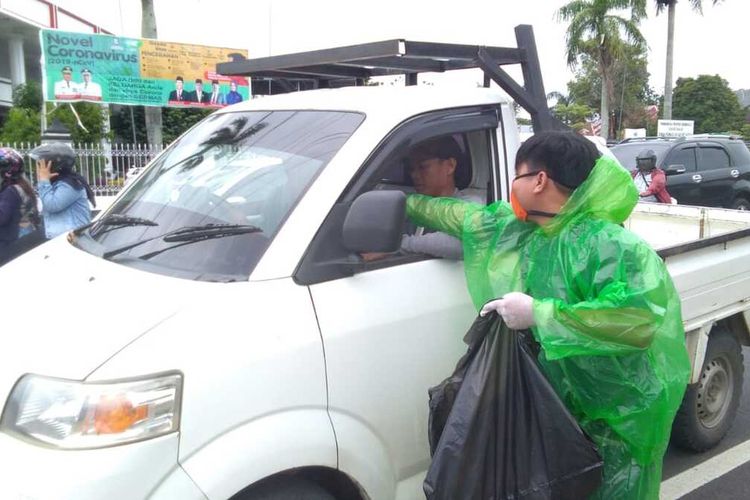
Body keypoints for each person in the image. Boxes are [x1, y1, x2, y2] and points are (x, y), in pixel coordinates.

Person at [407, 131, 690, 498]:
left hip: (617, 422)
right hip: (558, 415)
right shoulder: (526, 230)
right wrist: (405, 202)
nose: (512, 186)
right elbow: (461, 216)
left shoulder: (611, 244)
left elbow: (636, 320)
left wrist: (540, 314)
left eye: (517, 175)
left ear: (539, 180)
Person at [362, 136, 482, 261]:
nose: (414, 175)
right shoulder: (411, 211)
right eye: (411, 169)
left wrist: (396, 247)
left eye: (423, 167)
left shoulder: (471, 205)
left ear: (450, 166)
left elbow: (461, 244)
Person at [30, 143, 95, 239]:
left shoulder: (70, 185)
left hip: (74, 241)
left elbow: (52, 205)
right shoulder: (56, 183)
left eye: (43, 165)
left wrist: (44, 181)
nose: (39, 169)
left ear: (53, 165)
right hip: (62, 239)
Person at [0, 148, 37, 263]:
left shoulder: (11, 191)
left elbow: (2, 218)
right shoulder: (22, 186)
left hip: (11, 243)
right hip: (22, 238)